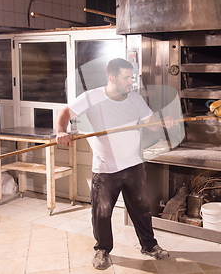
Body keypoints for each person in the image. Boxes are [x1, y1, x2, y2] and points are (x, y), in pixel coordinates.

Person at [56, 58, 178, 270]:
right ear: (112, 78)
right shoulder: (92, 97)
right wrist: (61, 131)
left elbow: (151, 126)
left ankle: (149, 245)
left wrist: (162, 121)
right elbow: (65, 113)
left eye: (132, 76)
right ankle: (102, 250)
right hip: (106, 169)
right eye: (126, 77)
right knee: (102, 213)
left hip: (134, 166)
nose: (131, 81)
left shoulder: (136, 99)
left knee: (141, 210)